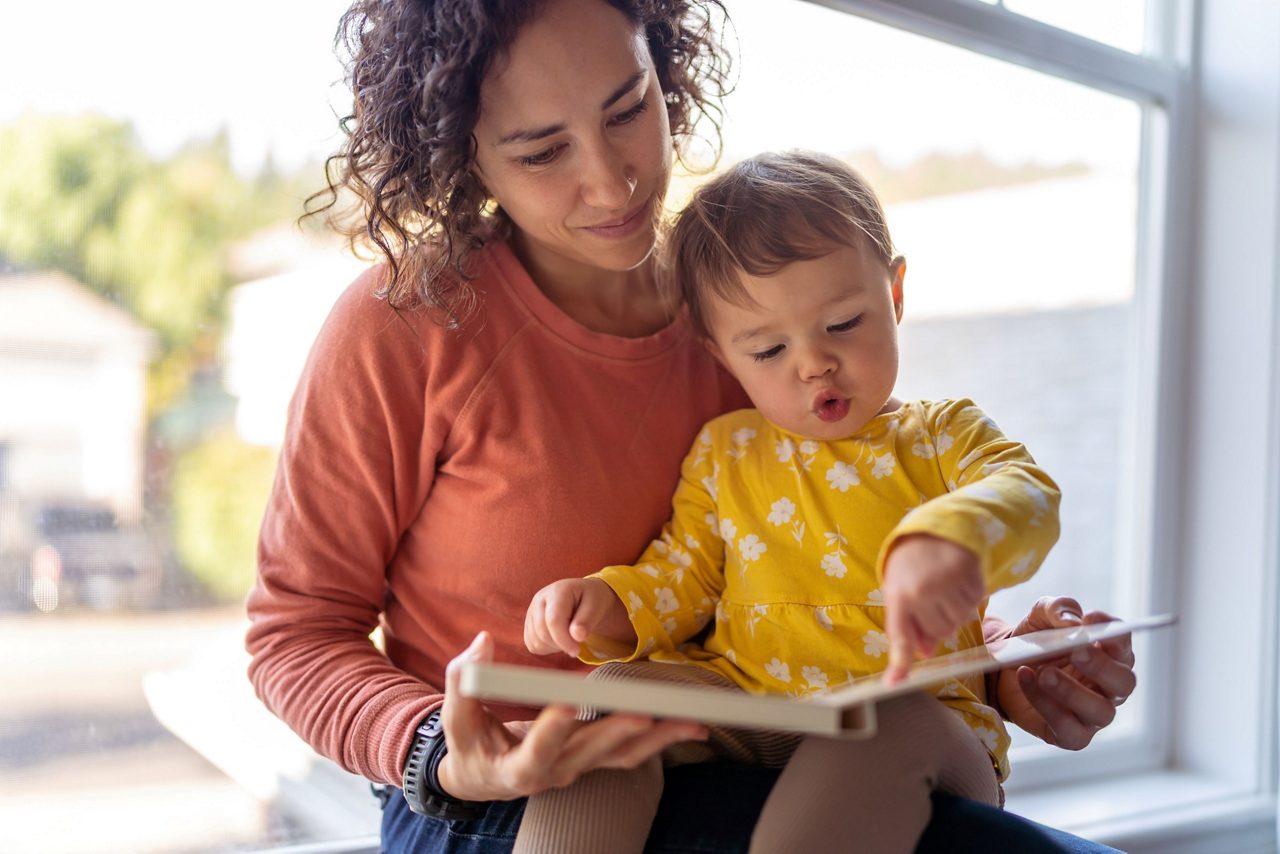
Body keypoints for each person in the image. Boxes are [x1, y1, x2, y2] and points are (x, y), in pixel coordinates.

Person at [244, 0, 1137, 851]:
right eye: (543, 151)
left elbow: (825, 566)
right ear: (462, 156)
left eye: (630, 108)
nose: (612, 178)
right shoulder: (405, 325)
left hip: (751, 742)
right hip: (496, 804)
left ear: (665, 66)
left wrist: (1004, 667)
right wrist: (436, 747)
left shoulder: (751, 315)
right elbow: (294, 634)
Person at [516, 150, 1061, 853]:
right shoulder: (726, 452)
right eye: (769, 350)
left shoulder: (939, 434)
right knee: (609, 692)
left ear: (894, 293)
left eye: (842, 324)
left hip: (919, 720)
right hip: (751, 704)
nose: (813, 363)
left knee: (882, 721)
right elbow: (683, 576)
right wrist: (607, 604)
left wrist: (951, 539)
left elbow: (1028, 494)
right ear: (721, 356)